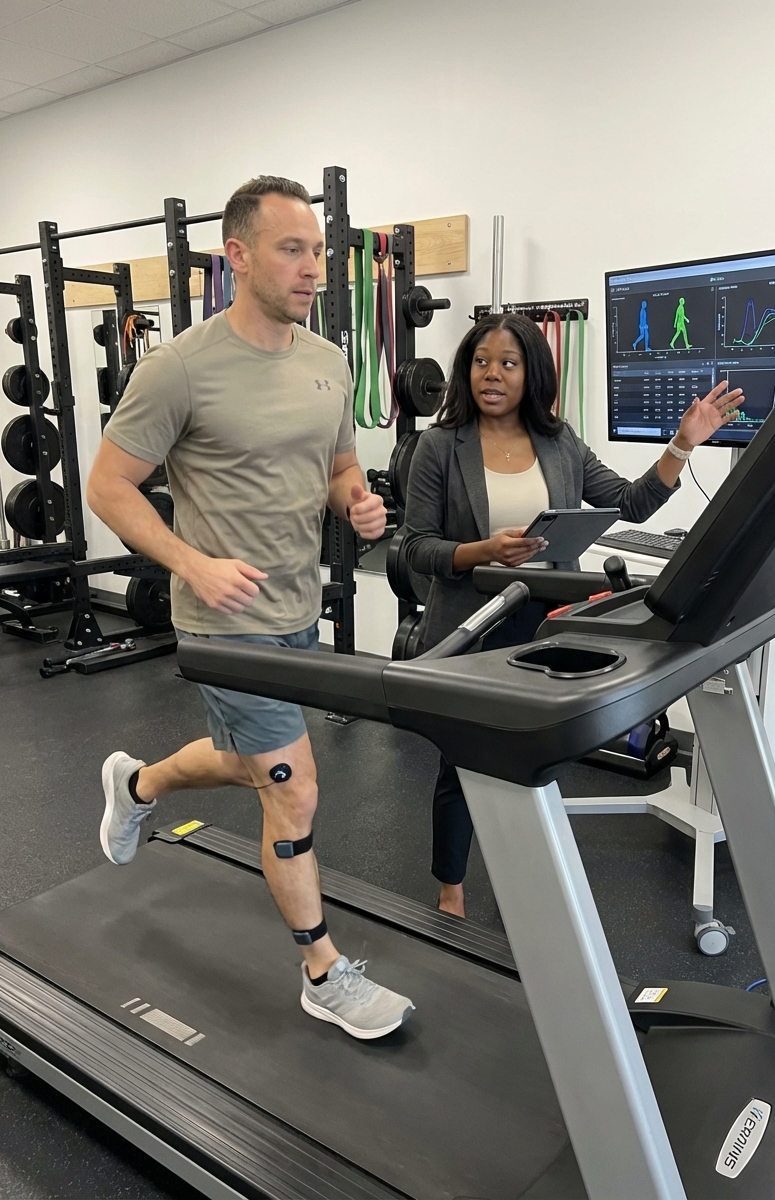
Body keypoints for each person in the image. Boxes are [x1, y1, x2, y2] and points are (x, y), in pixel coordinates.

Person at [87, 175, 414, 1039]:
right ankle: (322, 969)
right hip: (221, 623)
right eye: (291, 249)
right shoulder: (180, 367)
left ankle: (138, 783)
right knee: (294, 790)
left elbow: (340, 463)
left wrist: (358, 501)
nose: (312, 268)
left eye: (316, 251)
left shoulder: (327, 359)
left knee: (251, 765)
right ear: (237, 256)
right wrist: (191, 559)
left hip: (295, 610)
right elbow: (108, 487)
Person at [402, 312, 741, 917]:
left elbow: (632, 503)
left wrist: (682, 443)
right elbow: (416, 546)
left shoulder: (559, 445)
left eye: (509, 362)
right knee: (464, 764)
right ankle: (450, 889)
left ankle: (528, 873)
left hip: (545, 626)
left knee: (538, 760)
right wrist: (485, 552)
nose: (493, 374)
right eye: (482, 361)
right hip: (471, 626)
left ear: (532, 372)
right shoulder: (437, 447)